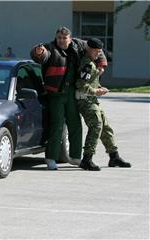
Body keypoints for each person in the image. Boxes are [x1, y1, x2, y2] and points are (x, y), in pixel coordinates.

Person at [30, 26, 108, 170]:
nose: (61, 40)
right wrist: (38, 52)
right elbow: (41, 56)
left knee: (75, 124)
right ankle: (51, 158)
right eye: (59, 38)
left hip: (72, 92)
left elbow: (97, 48)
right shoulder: (50, 47)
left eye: (64, 38)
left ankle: (75, 157)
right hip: (56, 94)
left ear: (70, 38)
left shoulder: (79, 45)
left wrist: (101, 64)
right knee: (57, 126)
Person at [76, 38, 131, 171]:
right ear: (88, 48)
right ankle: (87, 159)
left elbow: (90, 82)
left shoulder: (92, 62)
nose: (98, 54)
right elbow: (81, 85)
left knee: (105, 126)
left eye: (99, 52)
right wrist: (96, 91)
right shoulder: (87, 64)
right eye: (95, 51)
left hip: (92, 99)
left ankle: (114, 156)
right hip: (85, 100)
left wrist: (98, 87)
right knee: (96, 125)